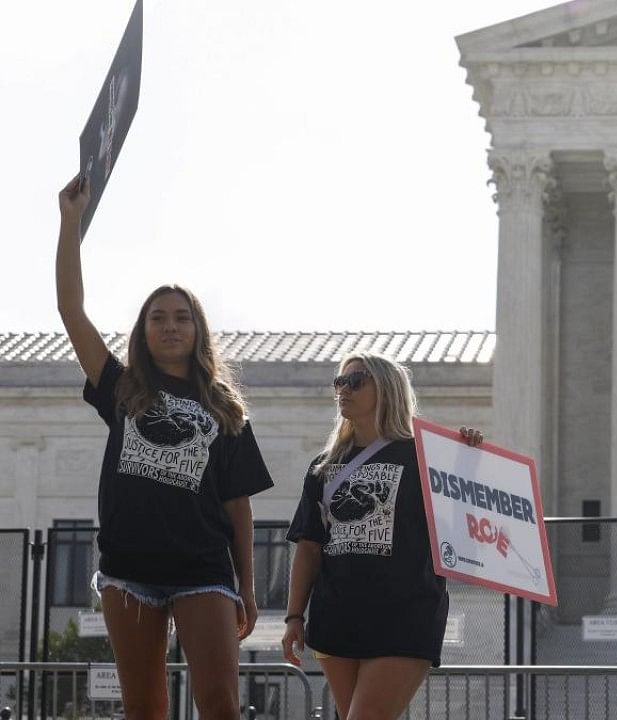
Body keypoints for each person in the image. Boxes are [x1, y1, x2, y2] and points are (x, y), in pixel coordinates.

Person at [56, 175, 274, 719]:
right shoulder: (122, 386)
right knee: (145, 707)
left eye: (181, 317)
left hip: (203, 568)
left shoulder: (225, 408)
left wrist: (247, 588)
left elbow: (239, 507)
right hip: (128, 568)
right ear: (143, 330)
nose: (170, 326)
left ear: (198, 330)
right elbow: (70, 311)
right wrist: (70, 222)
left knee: (220, 703)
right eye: (158, 318)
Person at [281, 352, 482, 720]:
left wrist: (467, 456)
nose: (343, 389)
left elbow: (468, 514)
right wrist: (294, 616)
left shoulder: (426, 456)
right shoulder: (323, 466)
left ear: (387, 389)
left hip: (405, 614)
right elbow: (309, 546)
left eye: (356, 381)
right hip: (336, 615)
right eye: (339, 382)